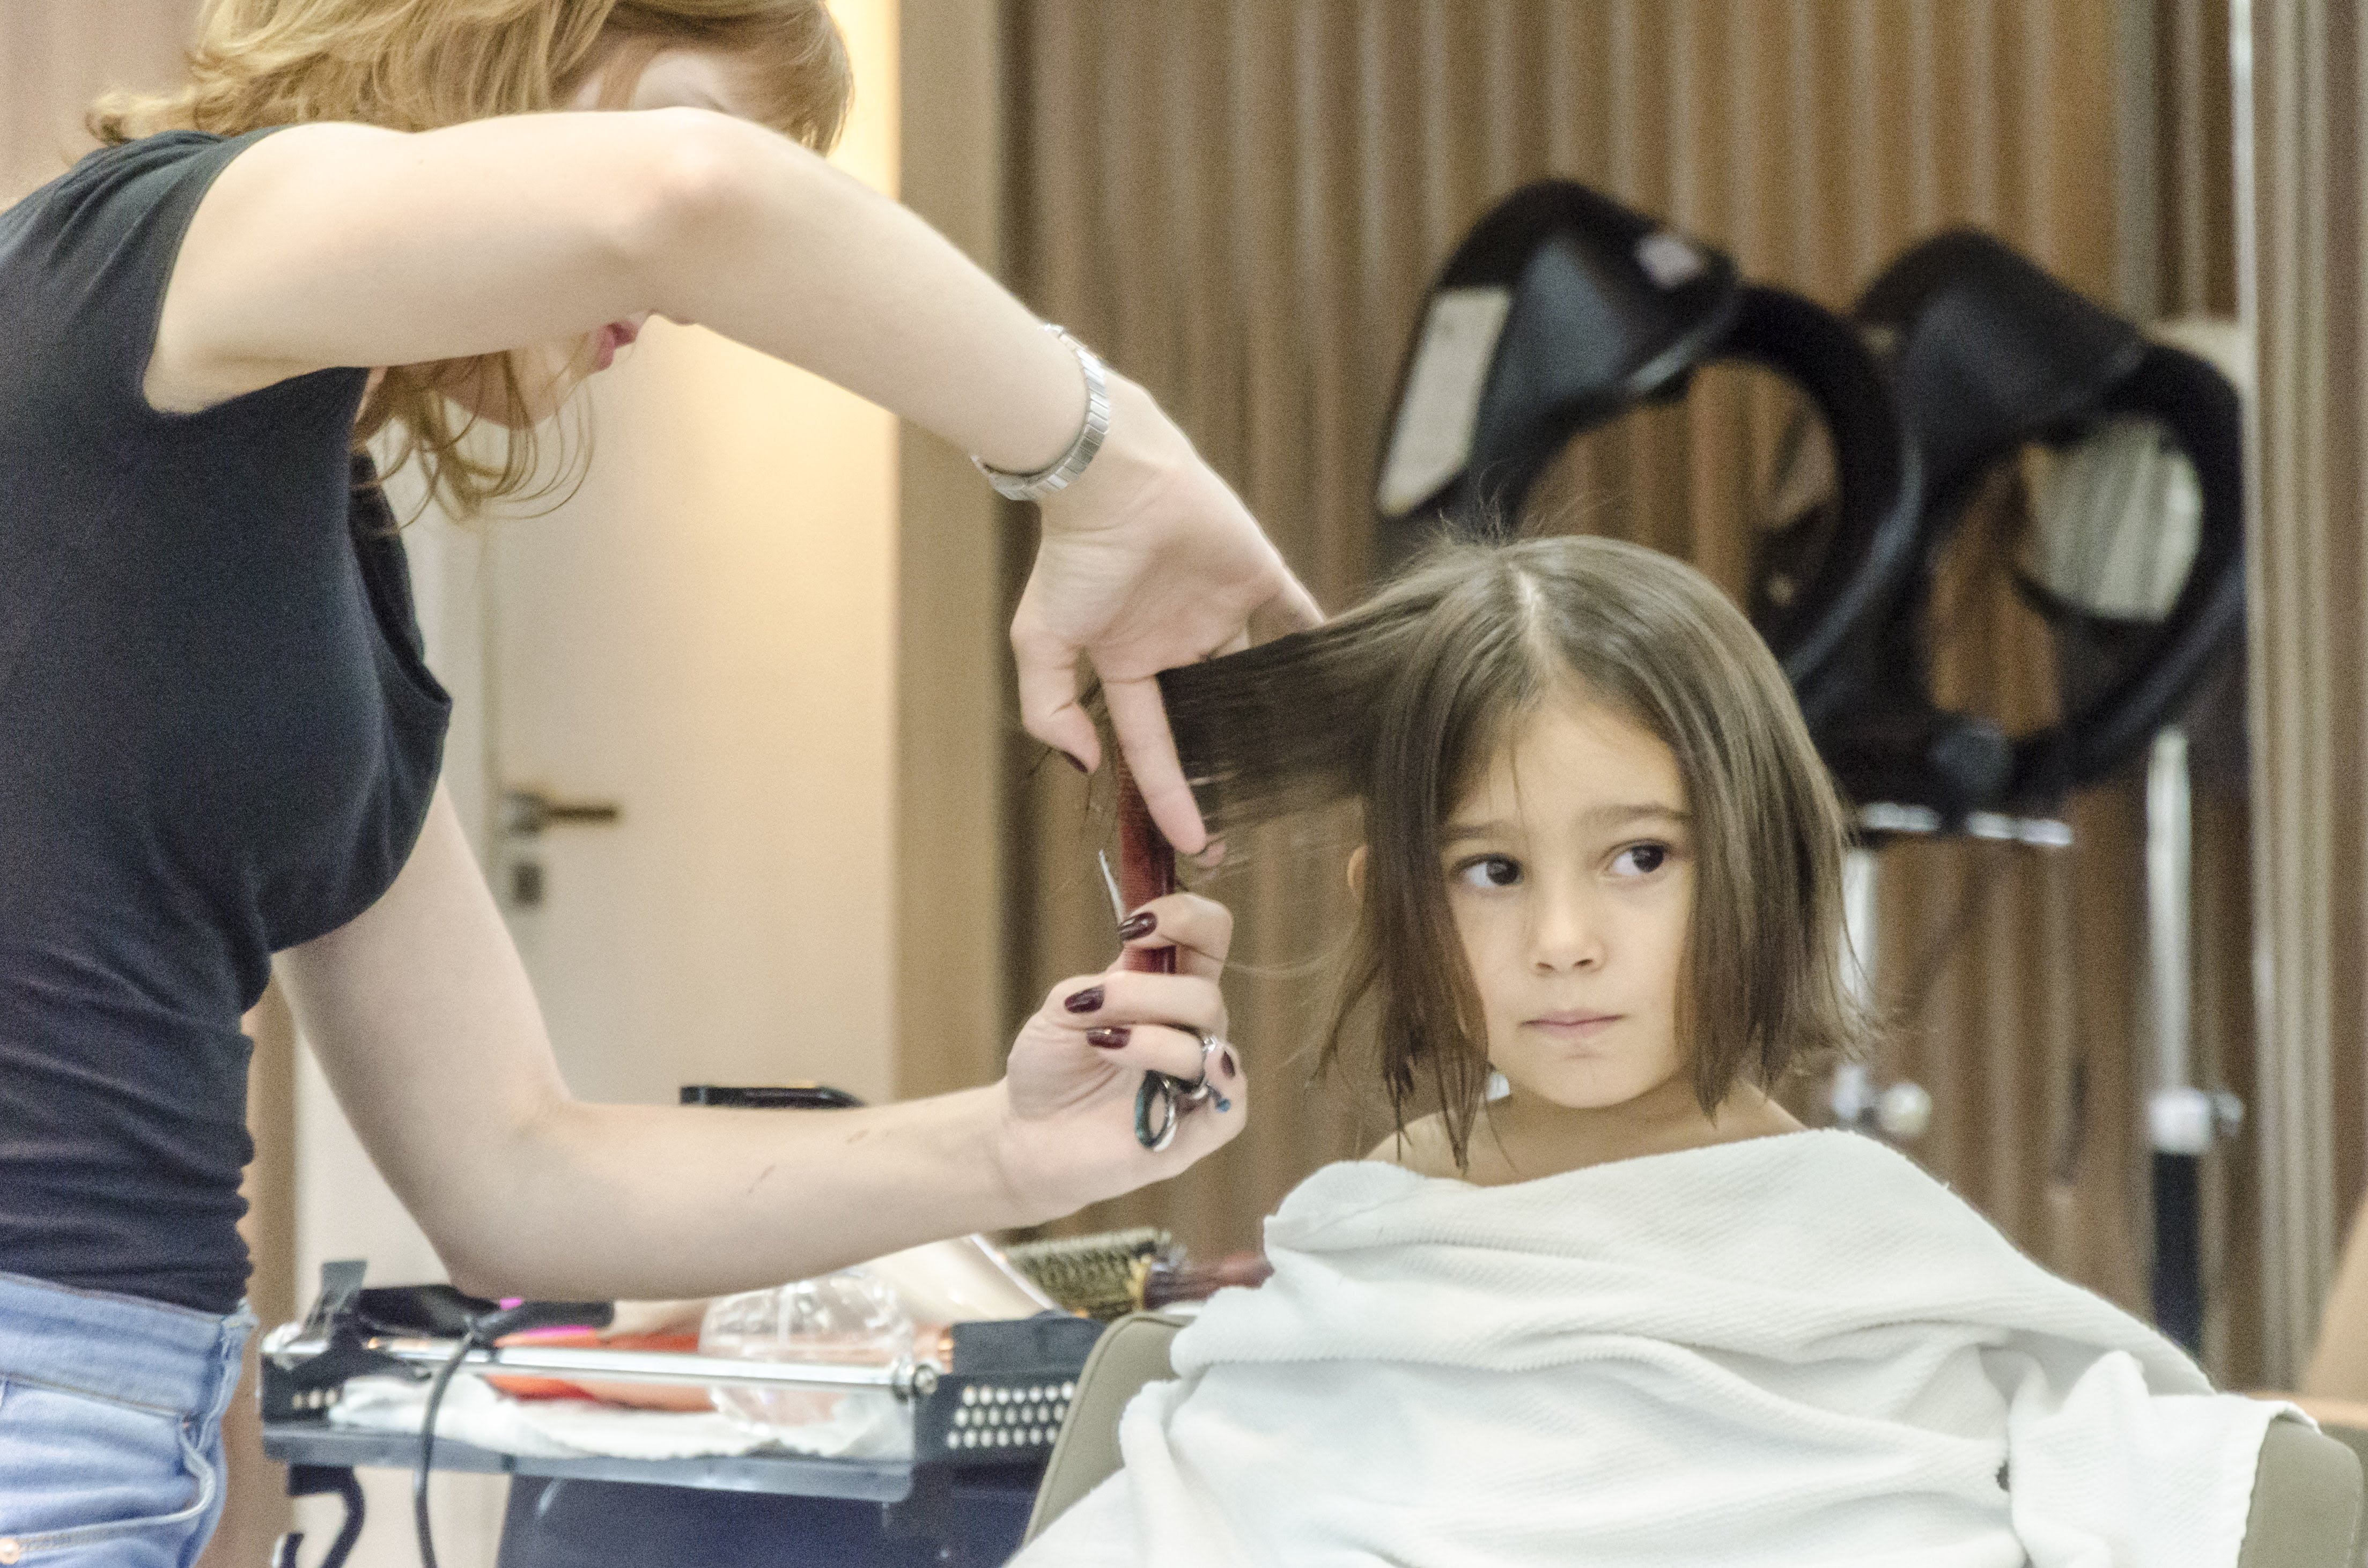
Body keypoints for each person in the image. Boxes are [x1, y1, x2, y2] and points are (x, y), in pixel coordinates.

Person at [0, 1, 1308, 1558]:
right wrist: (1107, 453)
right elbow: (681, 201)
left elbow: (512, 1170)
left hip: (129, 1407)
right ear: (497, 45)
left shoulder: (324, 587)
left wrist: (1022, 1144)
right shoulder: (144, 252)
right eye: (709, 117)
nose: (682, 307)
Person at [1018, 534, 2292, 1568]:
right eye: (1492, 870)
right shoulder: (1353, 1274)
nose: (1562, 941)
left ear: (1762, 866)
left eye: (1640, 857)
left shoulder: (1897, 1286)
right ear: (1394, 899)